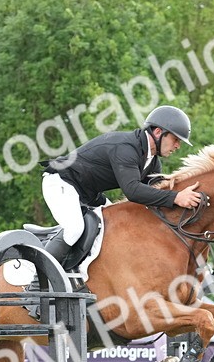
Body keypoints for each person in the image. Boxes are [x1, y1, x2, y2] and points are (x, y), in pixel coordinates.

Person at [39, 106, 201, 268]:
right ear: (158, 132)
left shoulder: (152, 162)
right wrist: (177, 197)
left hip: (88, 194)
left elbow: (155, 195)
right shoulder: (126, 148)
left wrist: (183, 200)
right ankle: (36, 279)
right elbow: (133, 191)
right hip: (61, 182)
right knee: (75, 229)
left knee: (116, 228)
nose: (178, 146)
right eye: (176, 139)